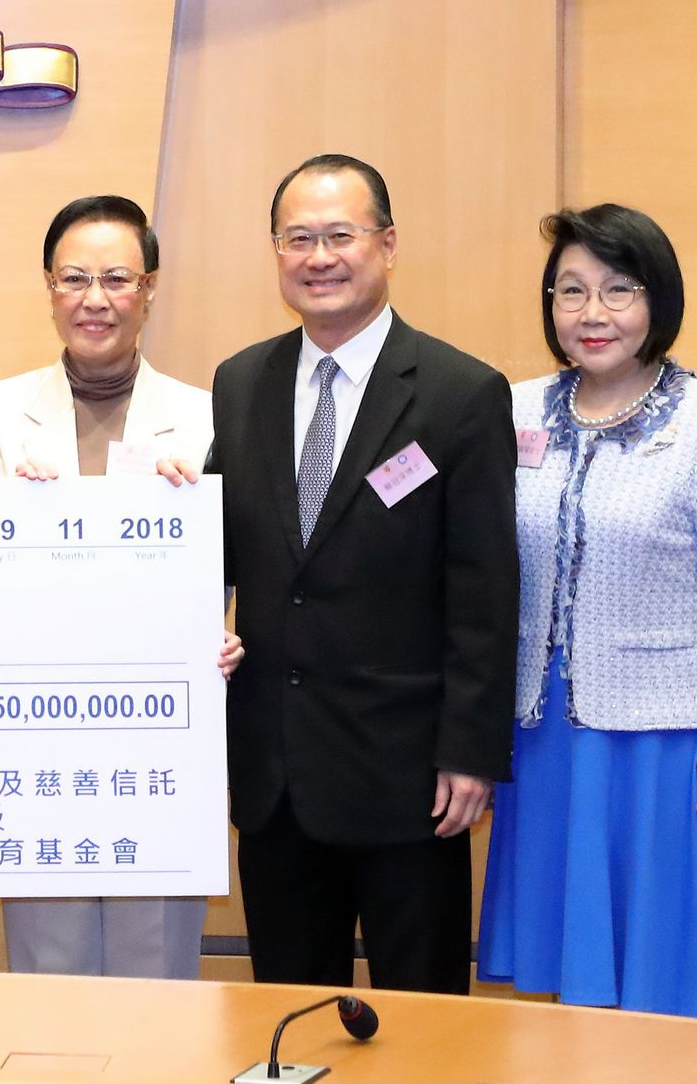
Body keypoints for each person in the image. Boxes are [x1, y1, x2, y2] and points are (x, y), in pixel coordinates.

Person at [173, 152, 516, 994]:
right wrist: (157, 521)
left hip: (408, 781)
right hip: (275, 778)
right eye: (298, 239)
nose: (318, 257)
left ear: (388, 245)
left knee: (425, 1023)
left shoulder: (458, 393)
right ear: (276, 252)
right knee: (287, 1014)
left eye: (339, 235)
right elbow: (224, 549)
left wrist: (469, 752)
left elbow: (484, 588)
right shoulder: (241, 382)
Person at [476, 205, 697, 1017]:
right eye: (570, 291)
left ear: (659, 301)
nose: (592, 314)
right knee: (560, 981)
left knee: (658, 984)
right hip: (542, 740)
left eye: (619, 290)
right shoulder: (514, 408)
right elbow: (411, 495)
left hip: (662, 748)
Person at [0, 193, 238, 981]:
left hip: (164, 723)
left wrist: (223, 630)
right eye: (73, 278)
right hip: (35, 719)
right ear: (48, 290)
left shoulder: (208, 415)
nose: (95, 299)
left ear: (150, 288)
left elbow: (235, 565)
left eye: (117, 278)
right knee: (49, 962)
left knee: (157, 964)